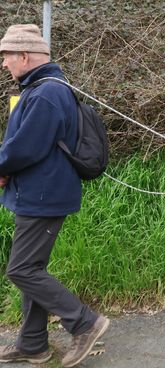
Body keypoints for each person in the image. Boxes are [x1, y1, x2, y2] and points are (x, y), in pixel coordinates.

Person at [0, 24, 109, 367]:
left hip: (43, 196)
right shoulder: (42, 88)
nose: (4, 64)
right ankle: (33, 344)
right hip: (37, 192)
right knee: (32, 267)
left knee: (21, 269)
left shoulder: (46, 93)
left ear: (25, 56)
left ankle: (85, 323)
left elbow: (25, 147)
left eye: (6, 57)